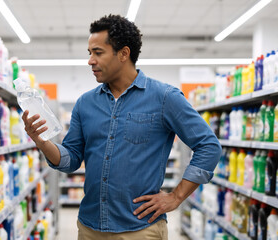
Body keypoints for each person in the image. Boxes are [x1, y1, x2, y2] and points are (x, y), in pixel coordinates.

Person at [22, 14, 221, 240]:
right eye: (90, 54)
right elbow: (71, 160)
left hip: (140, 229)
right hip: (89, 228)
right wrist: (42, 142)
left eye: (98, 53)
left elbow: (209, 146)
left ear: (124, 54)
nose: (90, 61)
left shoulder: (165, 98)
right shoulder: (85, 104)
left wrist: (176, 197)